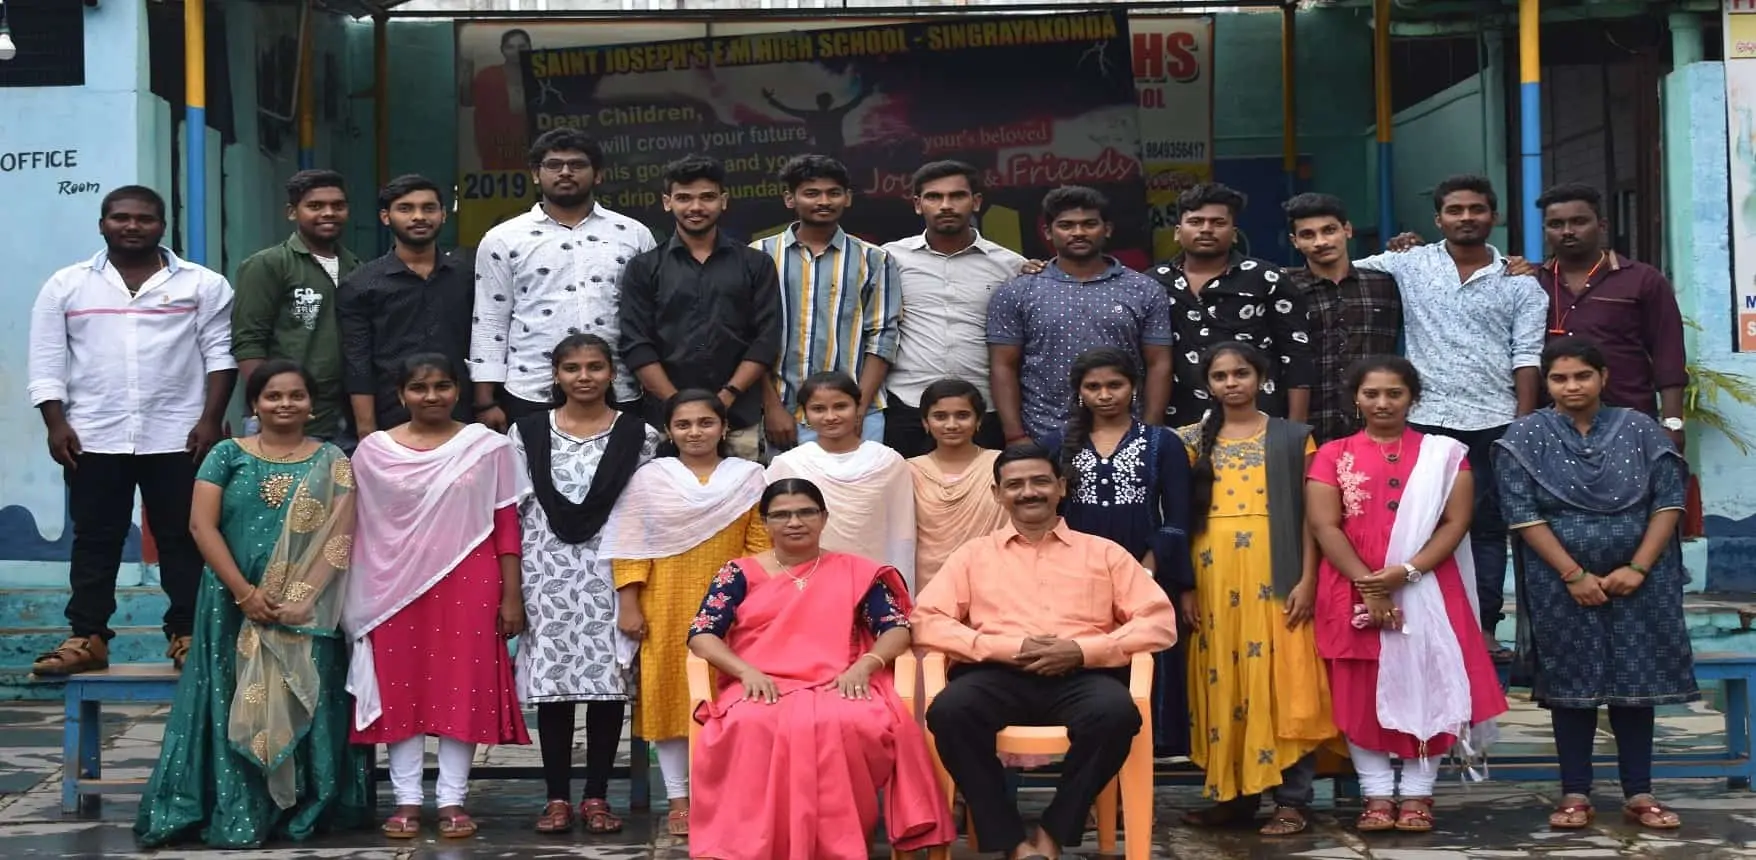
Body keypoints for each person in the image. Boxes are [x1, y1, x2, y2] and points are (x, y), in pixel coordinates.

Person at [135, 361, 370, 848]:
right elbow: (202, 527)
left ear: (312, 403)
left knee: (308, 696)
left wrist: (298, 600)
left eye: (296, 396)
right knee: (231, 697)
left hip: (307, 611)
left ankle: (308, 804)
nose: (285, 404)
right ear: (255, 404)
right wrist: (245, 593)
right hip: (229, 604)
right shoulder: (226, 454)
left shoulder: (333, 461)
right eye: (273, 396)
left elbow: (340, 540)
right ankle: (241, 803)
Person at [914, 442, 1177, 860]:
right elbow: (927, 620)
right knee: (948, 712)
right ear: (998, 494)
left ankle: (1052, 835)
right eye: (1014, 484)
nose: (1028, 492)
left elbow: (1159, 622)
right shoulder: (972, 556)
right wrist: (1005, 648)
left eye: (1040, 481)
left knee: (1116, 715)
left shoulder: (1104, 552)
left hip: (1083, 676)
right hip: (997, 674)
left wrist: (1082, 650)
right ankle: (1012, 841)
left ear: (1061, 487)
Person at [27, 185, 236, 675]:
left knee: (183, 537)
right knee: (95, 538)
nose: (132, 226)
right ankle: (88, 638)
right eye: (120, 218)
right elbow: (47, 360)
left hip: (179, 435)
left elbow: (220, 356)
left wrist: (209, 420)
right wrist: (56, 423)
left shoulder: (202, 285)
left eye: (144, 218)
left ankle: (187, 635)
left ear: (163, 225)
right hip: (93, 434)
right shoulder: (67, 285)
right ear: (103, 224)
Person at [686, 478, 955, 859]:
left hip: (840, 682)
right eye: (781, 514)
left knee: (851, 723)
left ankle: (836, 845)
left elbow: (896, 629)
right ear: (765, 523)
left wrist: (867, 665)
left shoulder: (856, 572)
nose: (794, 521)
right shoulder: (737, 574)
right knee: (749, 723)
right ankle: (757, 845)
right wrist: (745, 671)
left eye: (805, 512)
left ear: (824, 517)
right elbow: (702, 635)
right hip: (760, 683)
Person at [1494, 337, 1695, 832]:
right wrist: (1573, 574)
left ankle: (1640, 793)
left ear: (1603, 377)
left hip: (1642, 580)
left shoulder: (1641, 429)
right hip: (1558, 582)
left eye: (1582, 376)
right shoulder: (1525, 436)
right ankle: (1574, 794)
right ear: (1546, 384)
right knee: (1571, 685)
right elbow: (1521, 512)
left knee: (1635, 683)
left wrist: (1639, 568)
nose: (1572, 386)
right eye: (1560, 378)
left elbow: (1669, 501)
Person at [1306, 355, 1508, 833]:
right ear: (1356, 398)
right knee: (1359, 690)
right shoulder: (1333, 454)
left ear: (1412, 397)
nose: (1382, 403)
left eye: (1394, 393)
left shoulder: (1445, 454)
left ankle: (1418, 795)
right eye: (1371, 393)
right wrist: (1370, 585)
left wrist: (1407, 573)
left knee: (1429, 683)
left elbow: (1457, 523)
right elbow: (1323, 525)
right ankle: (1376, 796)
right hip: (1350, 585)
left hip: (1429, 586)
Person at [1354, 174, 1548, 652]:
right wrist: (1396, 246)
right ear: (1438, 218)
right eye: (1455, 211)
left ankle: (1481, 627)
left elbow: (1527, 355)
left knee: (1485, 530)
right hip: (1423, 421)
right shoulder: (1410, 263)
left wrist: (1521, 426)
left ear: (1493, 216)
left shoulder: (1521, 283)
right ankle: (1420, 623)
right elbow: (1337, 264)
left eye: (1476, 210)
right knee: (1416, 526)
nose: (1466, 218)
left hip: (1494, 422)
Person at [343, 354, 532, 840]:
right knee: (400, 690)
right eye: (420, 387)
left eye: (443, 385)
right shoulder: (373, 451)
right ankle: (406, 799)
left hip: (470, 580)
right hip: (390, 586)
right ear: (401, 393)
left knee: (460, 690)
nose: (432, 396)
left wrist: (512, 596)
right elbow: (354, 524)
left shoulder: (487, 447)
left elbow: (506, 525)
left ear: (459, 390)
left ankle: (452, 800)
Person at [1177, 341, 1335, 835]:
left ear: (1261, 377)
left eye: (1240, 373)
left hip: (1278, 572)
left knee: (1283, 679)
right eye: (1221, 376)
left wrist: (1308, 580)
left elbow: (1314, 519)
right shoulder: (1189, 440)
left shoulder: (1293, 438)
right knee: (1222, 680)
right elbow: (1178, 520)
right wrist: (1185, 588)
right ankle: (1233, 796)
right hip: (1212, 576)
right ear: (1208, 384)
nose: (1231, 383)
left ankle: (1292, 800)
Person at [506, 334, 660, 834]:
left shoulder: (640, 434)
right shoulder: (525, 431)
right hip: (545, 570)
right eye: (572, 368)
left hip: (609, 571)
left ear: (612, 373)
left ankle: (596, 796)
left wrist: (634, 588)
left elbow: (643, 513)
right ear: (556, 375)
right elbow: (513, 508)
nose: (584, 377)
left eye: (595, 367)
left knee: (605, 685)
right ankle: (555, 798)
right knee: (554, 689)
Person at [602, 389, 770, 837]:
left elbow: (760, 547)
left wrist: (752, 602)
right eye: (683, 424)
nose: (695, 432)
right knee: (670, 696)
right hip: (665, 601)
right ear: (669, 431)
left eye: (705, 423)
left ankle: (724, 794)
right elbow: (631, 543)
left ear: (725, 427)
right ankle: (678, 798)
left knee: (728, 698)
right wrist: (630, 603)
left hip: (733, 606)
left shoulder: (750, 477)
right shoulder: (651, 478)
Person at [1048, 348, 1194, 757]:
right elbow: (1048, 514)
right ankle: (1087, 759)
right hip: (1077, 572)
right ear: (1079, 393)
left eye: (1115, 385)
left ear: (1134, 387)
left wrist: (1147, 568)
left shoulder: (1162, 443)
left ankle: (1145, 753)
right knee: (1088, 657)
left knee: (1142, 656)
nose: (1105, 394)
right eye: (1093, 387)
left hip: (1146, 566)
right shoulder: (1057, 444)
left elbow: (1179, 517)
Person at [471, 128, 657, 429]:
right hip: (532, 387)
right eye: (554, 165)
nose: (566, 172)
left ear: (598, 175)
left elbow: (649, 315)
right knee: (535, 475)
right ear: (536, 174)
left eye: (578, 165)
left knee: (619, 475)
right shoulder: (503, 239)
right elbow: (491, 317)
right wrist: (485, 400)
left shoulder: (634, 234)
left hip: (619, 387)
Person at [618, 154, 781, 461]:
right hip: (667, 421)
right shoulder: (644, 268)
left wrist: (725, 398)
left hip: (740, 417)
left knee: (744, 506)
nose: (695, 207)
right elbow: (636, 344)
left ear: (724, 201)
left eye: (707, 197)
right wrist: (680, 407)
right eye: (684, 198)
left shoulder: (755, 264)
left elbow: (765, 339)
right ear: (667, 202)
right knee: (672, 505)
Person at [988, 185, 1174, 446]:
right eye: (1066, 225)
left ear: (1106, 229)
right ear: (1048, 232)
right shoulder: (1017, 292)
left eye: (1089, 224)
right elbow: (1002, 366)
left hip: (1127, 435)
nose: (1078, 232)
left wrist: (1151, 431)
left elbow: (1159, 363)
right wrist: (1015, 435)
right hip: (1044, 434)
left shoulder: (1144, 289)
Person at [753, 154, 901, 451]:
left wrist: (858, 406)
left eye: (833, 193)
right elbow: (748, 338)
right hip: (784, 412)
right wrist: (771, 407)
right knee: (792, 496)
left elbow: (882, 336)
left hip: (859, 413)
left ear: (847, 198)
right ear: (789, 199)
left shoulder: (874, 258)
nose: (823, 201)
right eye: (811, 193)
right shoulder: (759, 255)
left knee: (860, 496)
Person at [882, 161, 1025, 456]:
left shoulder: (1011, 266)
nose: (946, 205)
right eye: (934, 197)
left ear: (976, 202)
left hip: (983, 408)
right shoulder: (889, 258)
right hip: (908, 406)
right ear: (918, 205)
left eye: (957, 196)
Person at [1532, 184, 1688, 448]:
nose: (1567, 231)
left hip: (1629, 420)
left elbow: (1668, 355)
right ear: (1546, 231)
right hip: (1552, 425)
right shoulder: (1531, 282)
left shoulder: (1642, 280)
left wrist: (1673, 423)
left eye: (1579, 221)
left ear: (1601, 225)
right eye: (1556, 224)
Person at [1148, 183, 1315, 427]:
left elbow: (1297, 354)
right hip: (1180, 421)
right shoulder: (1152, 283)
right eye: (1196, 222)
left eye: (1218, 222)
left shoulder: (1267, 279)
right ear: (1177, 231)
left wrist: (1296, 428)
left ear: (1234, 233)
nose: (1206, 229)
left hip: (1258, 419)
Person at [339, 174, 475, 434]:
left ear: (444, 215)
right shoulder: (360, 285)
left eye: (428, 208)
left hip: (462, 413)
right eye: (405, 208)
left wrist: (486, 403)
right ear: (385, 217)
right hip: (392, 415)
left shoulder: (466, 276)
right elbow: (357, 362)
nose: (419, 216)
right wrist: (366, 429)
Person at [233, 169, 358, 442]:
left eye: (338, 206)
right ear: (292, 212)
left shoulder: (356, 268)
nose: (328, 213)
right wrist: (268, 403)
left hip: (342, 416)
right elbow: (248, 341)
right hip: (283, 417)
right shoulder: (268, 264)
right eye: (315, 206)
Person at [765, 372, 917, 590]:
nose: (830, 416)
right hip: (807, 584)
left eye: (840, 406)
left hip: (874, 582)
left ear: (858, 409)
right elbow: (773, 534)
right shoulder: (789, 464)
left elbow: (902, 535)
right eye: (819, 409)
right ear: (805, 415)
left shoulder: (888, 462)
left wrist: (899, 589)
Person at [1282, 193, 1403, 444]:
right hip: (1307, 428)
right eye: (1308, 235)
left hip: (1376, 425)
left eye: (1329, 230)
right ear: (1294, 241)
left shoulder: (1385, 284)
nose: (1321, 241)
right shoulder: (1283, 289)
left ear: (1347, 230)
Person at [907, 378, 1009, 594]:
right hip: (928, 584)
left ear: (979, 420)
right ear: (925, 422)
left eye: (962, 415)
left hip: (994, 580)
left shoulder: (1001, 466)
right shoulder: (909, 471)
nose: (951, 425)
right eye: (940, 416)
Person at [467, 28, 533, 171]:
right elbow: (469, 102)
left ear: (530, 47)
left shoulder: (541, 77)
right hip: (497, 151)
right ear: (502, 50)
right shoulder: (488, 76)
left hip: (532, 148)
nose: (516, 51)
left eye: (522, 47)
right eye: (510, 47)